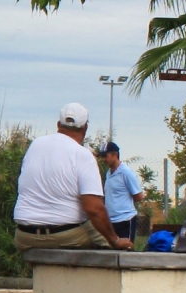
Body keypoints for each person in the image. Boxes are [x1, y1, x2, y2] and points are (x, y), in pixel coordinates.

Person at [13, 102, 134, 252]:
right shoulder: (83, 155)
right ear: (85, 128)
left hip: (24, 236)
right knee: (114, 245)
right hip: (64, 236)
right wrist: (115, 240)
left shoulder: (35, 145)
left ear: (58, 124)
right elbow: (94, 209)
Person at [98, 142, 145, 242]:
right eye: (102, 157)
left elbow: (139, 196)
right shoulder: (108, 173)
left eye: (105, 156)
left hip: (125, 220)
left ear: (115, 155)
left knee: (125, 251)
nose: (103, 160)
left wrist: (122, 204)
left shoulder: (126, 173)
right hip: (111, 221)